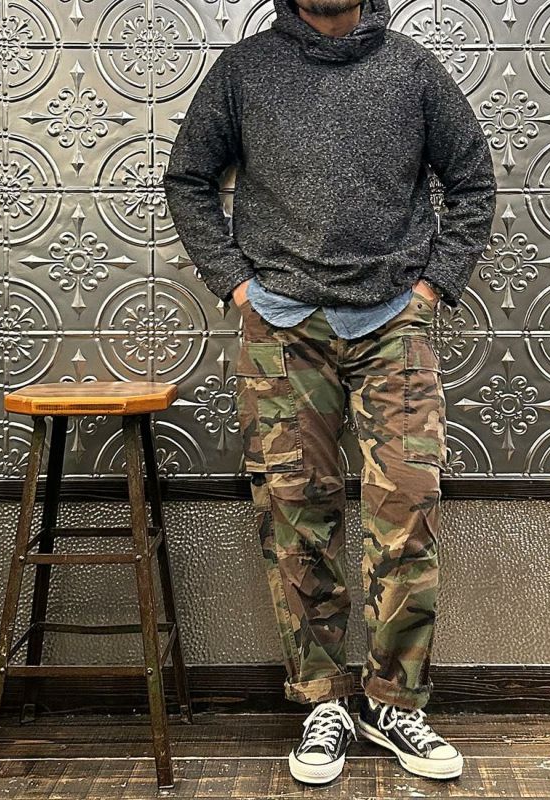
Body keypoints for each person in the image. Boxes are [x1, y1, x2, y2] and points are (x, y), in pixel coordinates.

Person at [163, 0, 496, 785]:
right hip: (282, 329)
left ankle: (394, 703)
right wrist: (236, 285)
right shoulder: (244, 70)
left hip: (393, 326)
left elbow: (474, 183)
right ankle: (321, 700)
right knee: (294, 517)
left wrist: (431, 289)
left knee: (408, 512)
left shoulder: (413, 70)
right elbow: (188, 178)